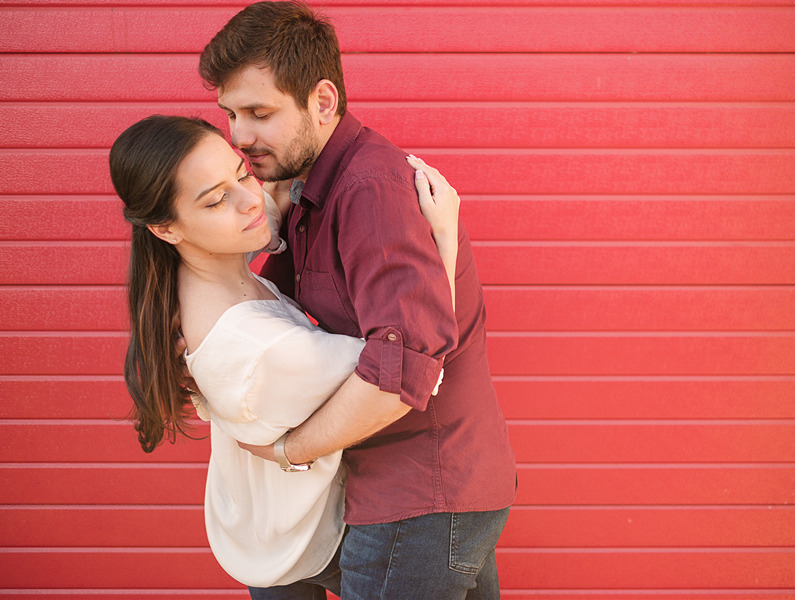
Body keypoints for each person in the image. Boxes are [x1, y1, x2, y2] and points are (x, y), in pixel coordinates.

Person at [197, 2, 518, 598]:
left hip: (420, 494)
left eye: (259, 113)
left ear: (322, 101)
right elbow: (275, 313)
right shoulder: (312, 188)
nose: (239, 136)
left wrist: (287, 450)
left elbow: (404, 371)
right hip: (408, 490)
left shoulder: (368, 190)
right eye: (231, 114)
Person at [109, 114, 460, 597]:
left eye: (241, 172)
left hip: (260, 520)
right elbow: (410, 364)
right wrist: (444, 236)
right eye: (216, 200)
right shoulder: (261, 349)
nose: (250, 199)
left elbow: (269, 203)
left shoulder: (205, 270)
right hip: (298, 540)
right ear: (166, 228)